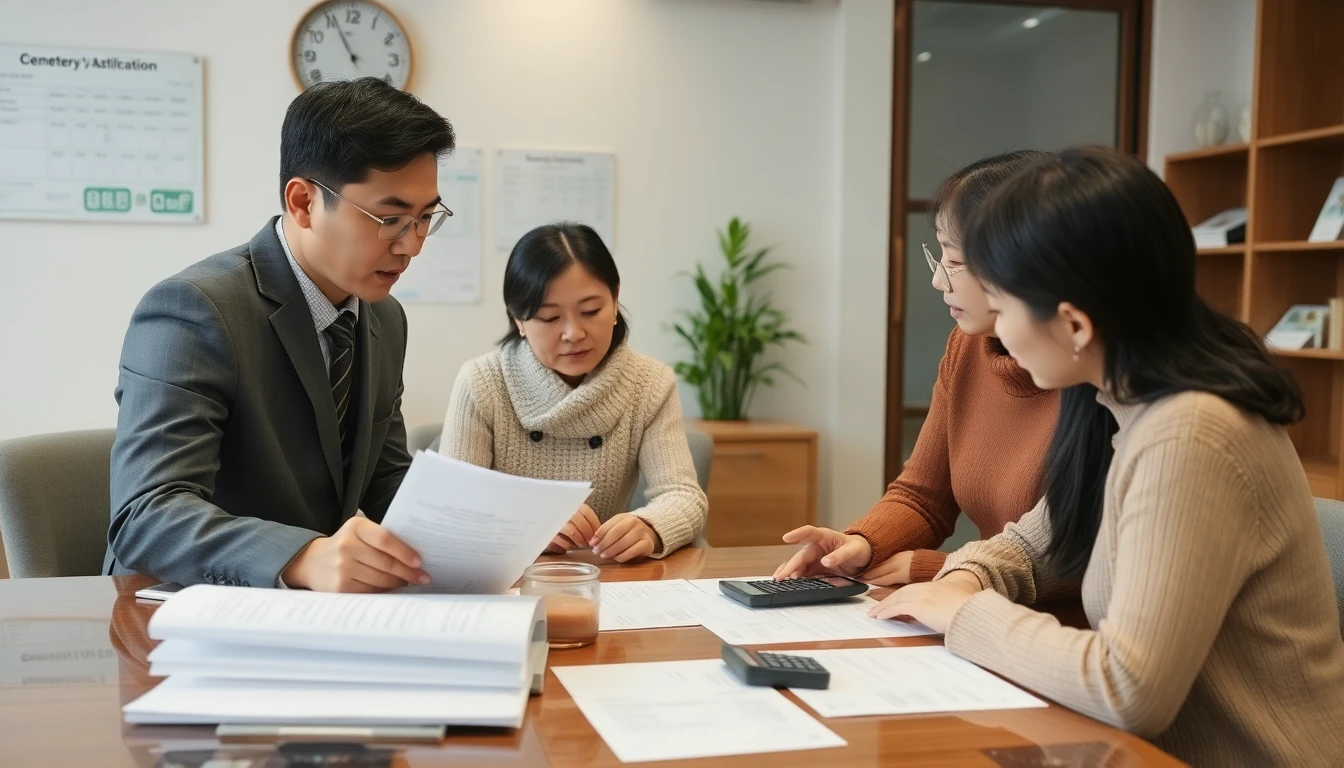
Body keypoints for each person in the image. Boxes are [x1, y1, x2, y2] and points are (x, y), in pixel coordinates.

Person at [870, 146, 1344, 765]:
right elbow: (1042, 536)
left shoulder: (1190, 437)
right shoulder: (1125, 403)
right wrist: (967, 575)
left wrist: (965, 612)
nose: (1001, 336)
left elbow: (1128, 687)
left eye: (1006, 307)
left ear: (1075, 326)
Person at [105, 78, 456, 592]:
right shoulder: (195, 310)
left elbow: (384, 480)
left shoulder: (384, 318)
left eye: (426, 218)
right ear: (303, 202)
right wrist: (302, 557)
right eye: (390, 218)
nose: (412, 247)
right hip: (179, 614)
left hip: (314, 614)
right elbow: (147, 515)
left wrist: (490, 529)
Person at [774, 151, 1058, 585]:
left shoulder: (1095, 377)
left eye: (956, 262)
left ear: (1020, 261)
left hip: (1056, 627)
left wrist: (941, 570)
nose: (938, 280)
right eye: (939, 256)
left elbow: (1094, 555)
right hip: (983, 608)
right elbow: (924, 496)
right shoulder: (968, 346)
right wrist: (862, 544)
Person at [439, 223, 707, 562]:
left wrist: (649, 527)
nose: (573, 333)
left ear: (615, 299)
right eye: (550, 317)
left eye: (591, 311)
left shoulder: (650, 383)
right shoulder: (482, 382)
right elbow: (452, 504)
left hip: (604, 576)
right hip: (505, 576)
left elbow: (684, 496)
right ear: (519, 320)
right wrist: (528, 521)